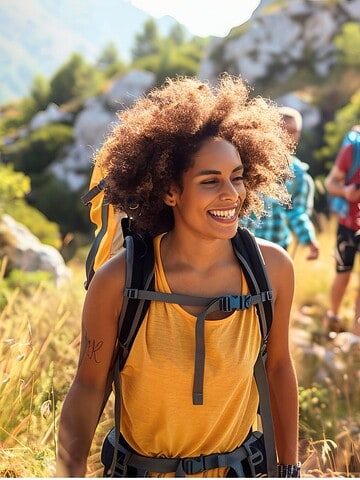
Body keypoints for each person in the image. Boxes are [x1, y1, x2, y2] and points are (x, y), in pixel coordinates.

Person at [56, 75, 300, 477]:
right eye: (210, 181)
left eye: (237, 177)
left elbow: (278, 368)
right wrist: (69, 473)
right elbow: (88, 385)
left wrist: (289, 469)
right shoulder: (119, 281)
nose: (231, 194)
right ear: (170, 191)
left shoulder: (271, 270)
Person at [241, 106, 319, 261]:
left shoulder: (299, 174)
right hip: (245, 243)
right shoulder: (248, 163)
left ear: (298, 134)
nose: (286, 136)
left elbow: (297, 212)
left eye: (292, 131)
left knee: (272, 285)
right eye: (281, 130)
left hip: (278, 246)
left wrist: (309, 241)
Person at [324, 125, 360, 334]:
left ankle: (356, 332)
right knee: (343, 274)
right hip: (347, 225)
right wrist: (346, 191)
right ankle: (334, 317)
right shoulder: (353, 150)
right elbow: (330, 183)